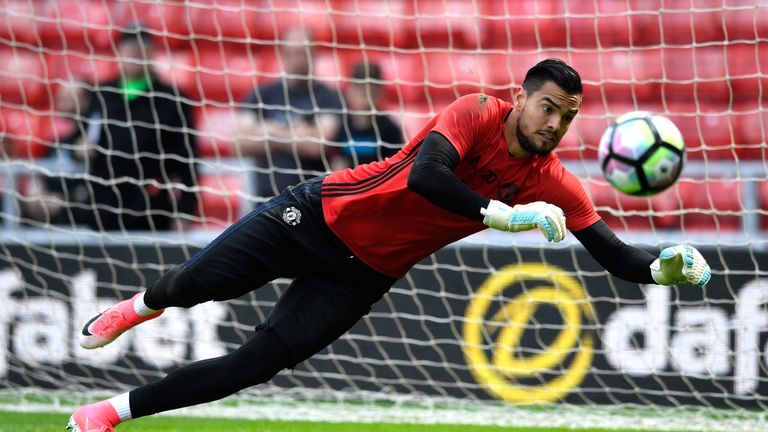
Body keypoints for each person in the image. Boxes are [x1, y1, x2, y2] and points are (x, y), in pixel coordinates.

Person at [66, 58, 711, 432]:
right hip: (316, 212)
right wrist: (503, 217)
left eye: (568, 117)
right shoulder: (476, 111)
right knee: (190, 287)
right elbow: (425, 175)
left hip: (362, 275)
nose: (555, 123)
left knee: (253, 366)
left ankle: (110, 413)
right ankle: (139, 307)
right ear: (520, 98)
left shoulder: (555, 183)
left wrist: (669, 269)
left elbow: (621, 261)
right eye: (547, 107)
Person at [40, 25, 199, 231]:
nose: (133, 56)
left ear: (151, 53)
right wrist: (77, 150)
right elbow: (78, 138)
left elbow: (187, 158)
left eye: (139, 50)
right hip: (103, 205)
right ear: (119, 53)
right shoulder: (102, 95)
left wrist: (185, 211)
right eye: (129, 50)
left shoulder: (172, 100)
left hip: (150, 206)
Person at [235, 28, 343, 198]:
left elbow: (316, 146)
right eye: (292, 53)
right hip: (266, 200)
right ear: (283, 55)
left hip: (311, 200)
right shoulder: (262, 95)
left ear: (314, 55)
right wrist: (297, 134)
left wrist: (268, 131)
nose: (298, 59)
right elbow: (239, 144)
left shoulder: (328, 97)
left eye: (303, 53)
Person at [331, 61, 403, 169]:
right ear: (350, 92)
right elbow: (336, 158)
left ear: (379, 93)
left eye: (370, 94)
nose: (364, 100)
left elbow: (394, 167)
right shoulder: (342, 125)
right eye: (359, 93)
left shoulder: (389, 129)